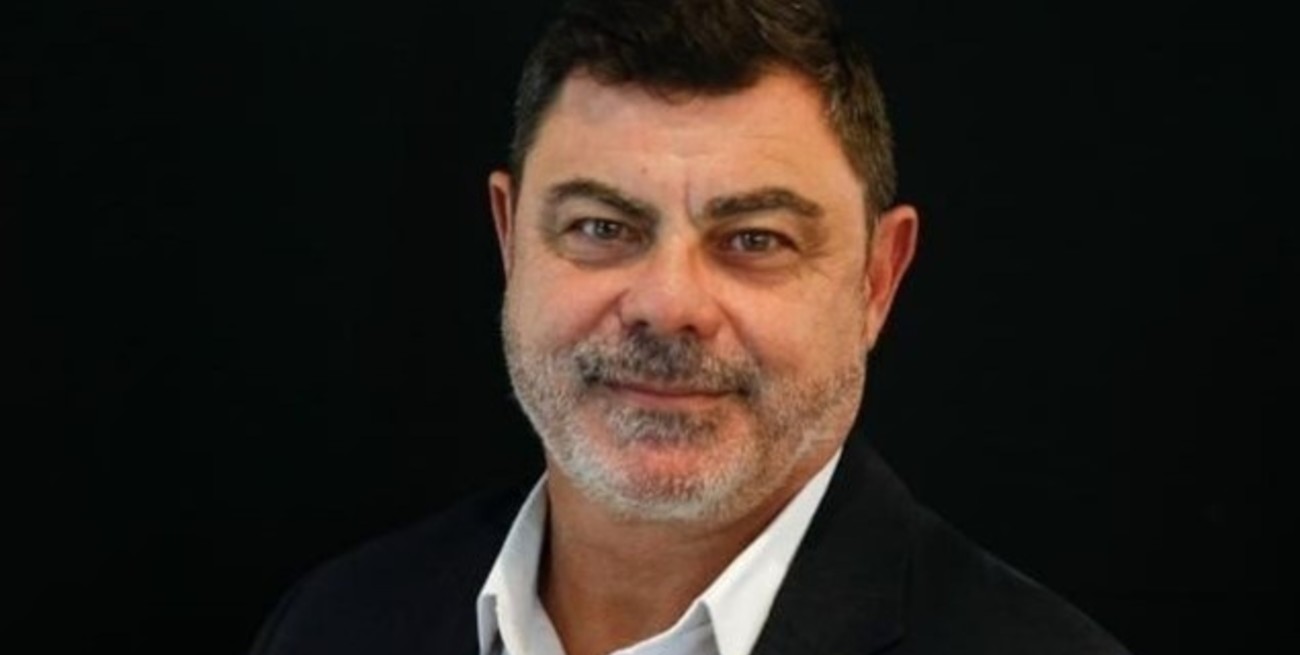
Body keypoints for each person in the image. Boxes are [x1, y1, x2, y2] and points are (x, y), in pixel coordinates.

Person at [250, 1, 1130, 653]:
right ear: (510, 241)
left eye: (754, 239)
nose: (668, 304)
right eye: (602, 227)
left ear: (876, 280)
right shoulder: (337, 621)